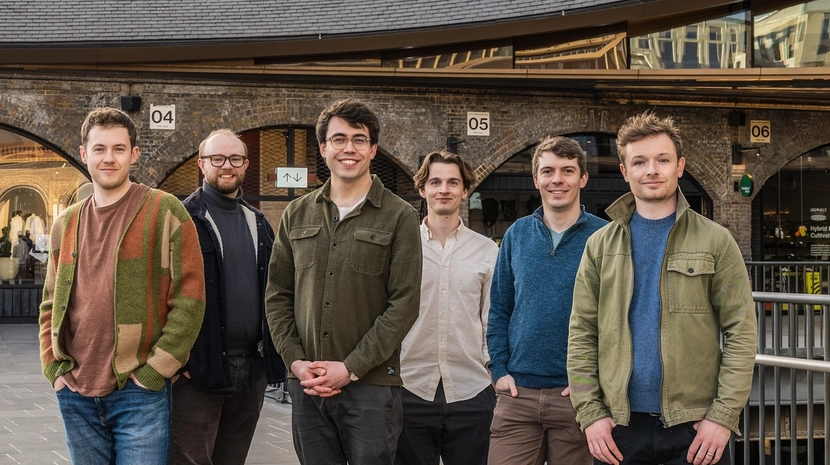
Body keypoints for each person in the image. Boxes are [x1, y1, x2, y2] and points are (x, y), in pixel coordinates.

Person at [567, 112, 757, 465]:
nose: (651, 170)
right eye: (639, 162)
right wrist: (590, 414)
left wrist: (722, 417)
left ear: (680, 166)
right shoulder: (598, 246)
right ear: (625, 171)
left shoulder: (717, 241)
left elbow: (741, 332)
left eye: (662, 160)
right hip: (619, 429)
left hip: (696, 430)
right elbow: (581, 334)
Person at [38, 107, 206, 465]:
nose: (108, 158)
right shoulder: (65, 223)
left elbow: (190, 298)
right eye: (99, 149)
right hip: (76, 390)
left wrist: (156, 369)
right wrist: (53, 365)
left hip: (138, 391)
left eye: (118, 149)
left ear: (134, 154)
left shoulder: (165, 211)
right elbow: (50, 303)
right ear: (84, 154)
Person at [265, 98, 422, 465]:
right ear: (323, 148)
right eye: (338, 139)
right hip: (308, 385)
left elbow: (404, 305)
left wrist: (349, 367)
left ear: (373, 150)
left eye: (358, 139)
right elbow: (277, 295)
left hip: (371, 388)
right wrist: (296, 362)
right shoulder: (296, 212)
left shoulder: (400, 217)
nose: (348, 148)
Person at [486, 136, 606, 465]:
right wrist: (499, 370)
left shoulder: (605, 238)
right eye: (548, 171)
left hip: (578, 396)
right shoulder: (516, 234)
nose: (557, 179)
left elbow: (617, 318)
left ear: (582, 178)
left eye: (568, 170)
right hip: (517, 394)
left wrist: (591, 381)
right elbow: (499, 309)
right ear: (536, 179)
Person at [171, 129, 287, 465]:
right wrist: (179, 360)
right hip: (199, 371)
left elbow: (275, 291)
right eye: (217, 159)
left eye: (235, 159)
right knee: (188, 459)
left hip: (251, 369)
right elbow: (162, 291)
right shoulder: (182, 219)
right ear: (201, 164)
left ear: (246, 164)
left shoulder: (259, 222)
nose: (227, 166)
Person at [396, 151, 499, 465]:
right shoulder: (400, 247)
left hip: (472, 389)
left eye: (453, 182)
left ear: (465, 191)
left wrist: (494, 375)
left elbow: (490, 319)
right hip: (409, 387)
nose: (444, 189)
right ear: (422, 189)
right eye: (435, 182)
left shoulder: (486, 251)